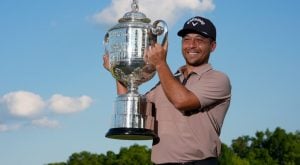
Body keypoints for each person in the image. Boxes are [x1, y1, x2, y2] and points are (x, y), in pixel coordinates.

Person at [103, 16, 231, 165]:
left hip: (199, 162)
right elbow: (133, 107)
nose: (192, 45)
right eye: (187, 39)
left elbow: (182, 101)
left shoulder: (218, 79)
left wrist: (160, 63)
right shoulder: (168, 80)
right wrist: (117, 71)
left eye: (200, 40)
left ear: (213, 46)